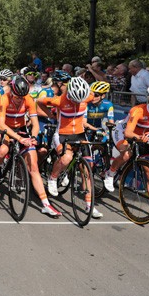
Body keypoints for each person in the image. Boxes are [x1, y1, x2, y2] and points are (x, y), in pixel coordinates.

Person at [0, 76, 61, 217]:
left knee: (34, 167)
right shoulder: (4, 98)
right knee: (3, 150)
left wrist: (33, 137)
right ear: (12, 92)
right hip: (5, 128)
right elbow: (1, 125)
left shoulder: (28, 99)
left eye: (21, 97)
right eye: (16, 97)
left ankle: (46, 204)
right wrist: (20, 139)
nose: (18, 99)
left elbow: (34, 124)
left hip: (21, 128)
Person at [103, 82, 149, 221]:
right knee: (127, 154)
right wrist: (146, 139)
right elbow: (129, 133)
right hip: (122, 132)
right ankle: (110, 173)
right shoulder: (138, 110)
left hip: (143, 137)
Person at [37, 77, 103, 218]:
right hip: (62, 134)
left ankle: (89, 205)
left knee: (88, 168)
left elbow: (98, 96)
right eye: (74, 99)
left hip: (80, 134)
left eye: (81, 100)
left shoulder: (88, 96)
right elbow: (39, 102)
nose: (77, 102)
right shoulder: (59, 100)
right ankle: (53, 178)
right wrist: (51, 115)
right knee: (66, 158)